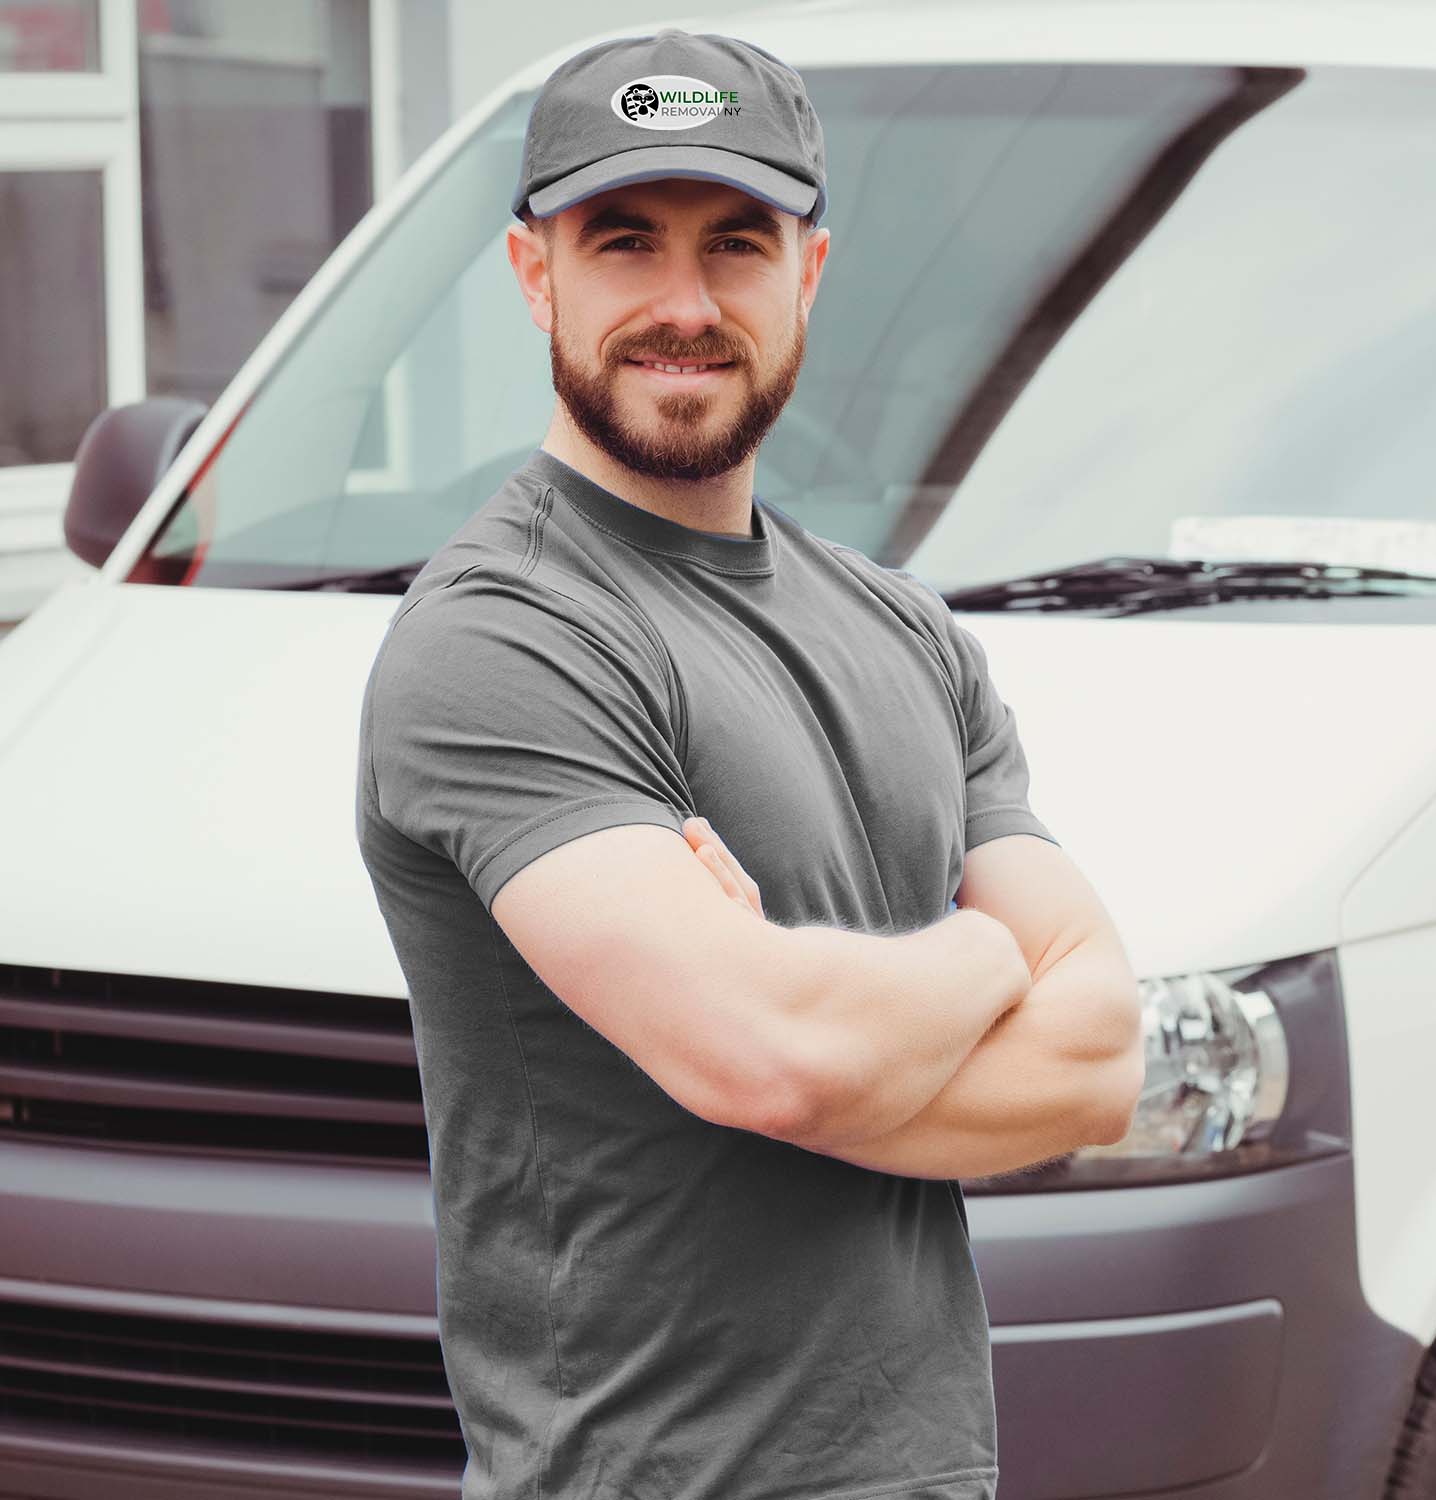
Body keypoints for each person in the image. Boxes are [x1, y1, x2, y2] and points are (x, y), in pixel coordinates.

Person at [353, 27, 1144, 1500]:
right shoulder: (505, 638)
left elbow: (1099, 1059)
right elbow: (771, 1057)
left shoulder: (907, 631)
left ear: (811, 277)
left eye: (735, 244)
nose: (681, 303)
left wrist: (828, 1029)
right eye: (622, 243)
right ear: (537, 276)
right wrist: (986, 958)